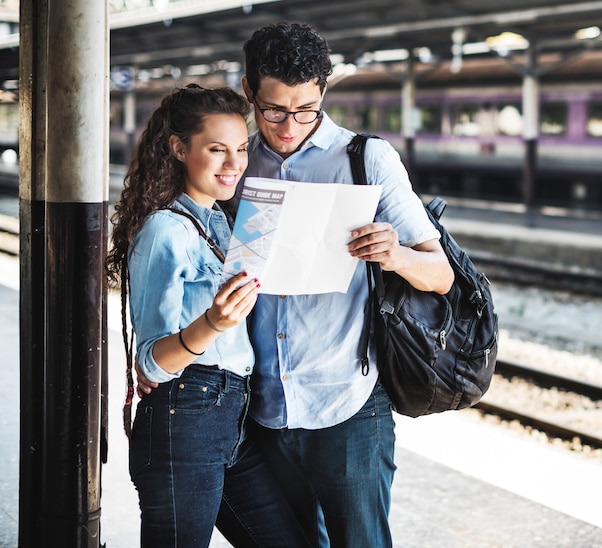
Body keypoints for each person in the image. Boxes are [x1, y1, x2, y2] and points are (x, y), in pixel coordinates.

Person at [138, 24, 454, 547]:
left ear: (323, 93)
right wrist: (174, 353)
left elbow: (439, 275)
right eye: (274, 110)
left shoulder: (367, 159)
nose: (289, 125)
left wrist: (394, 254)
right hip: (260, 408)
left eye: (305, 109)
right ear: (248, 91)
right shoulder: (238, 161)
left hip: (346, 400)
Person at [105, 84, 312, 548]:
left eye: (240, 149)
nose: (234, 163)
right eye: (217, 149)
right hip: (186, 412)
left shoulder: (219, 221)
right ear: (179, 148)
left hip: (230, 417)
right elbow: (151, 362)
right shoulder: (165, 229)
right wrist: (213, 324)